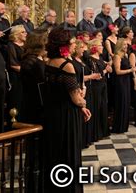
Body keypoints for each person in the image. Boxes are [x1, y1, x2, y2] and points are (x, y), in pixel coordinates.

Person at [43, 27, 89, 193]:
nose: (73, 45)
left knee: (56, 151)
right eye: (71, 43)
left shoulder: (48, 62)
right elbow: (75, 97)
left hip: (52, 113)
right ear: (63, 44)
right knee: (69, 151)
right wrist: (83, 104)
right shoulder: (67, 65)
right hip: (67, 114)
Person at [19, 30, 47, 192]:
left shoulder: (30, 60)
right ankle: (35, 184)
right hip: (37, 108)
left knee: (35, 150)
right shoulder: (35, 63)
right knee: (35, 150)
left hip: (31, 106)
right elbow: (42, 86)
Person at [20, 30, 47, 124]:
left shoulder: (37, 58)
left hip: (40, 100)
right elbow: (39, 81)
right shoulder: (30, 60)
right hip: (34, 101)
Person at [88, 39, 111, 140]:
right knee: (97, 107)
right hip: (96, 87)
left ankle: (103, 131)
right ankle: (96, 132)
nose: (102, 47)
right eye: (100, 46)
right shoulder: (91, 59)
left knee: (103, 107)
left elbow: (107, 70)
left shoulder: (100, 58)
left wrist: (108, 69)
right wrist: (106, 70)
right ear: (94, 47)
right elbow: (97, 75)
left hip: (103, 85)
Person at [112, 39, 136, 133]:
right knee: (121, 102)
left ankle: (124, 125)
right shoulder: (117, 57)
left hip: (126, 81)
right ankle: (118, 126)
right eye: (124, 45)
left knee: (126, 102)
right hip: (120, 82)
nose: (126, 46)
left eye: (127, 44)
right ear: (119, 45)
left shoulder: (126, 55)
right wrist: (130, 70)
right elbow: (118, 71)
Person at [6, 25, 27, 123]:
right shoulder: (11, 46)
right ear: (16, 34)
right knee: (17, 101)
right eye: (23, 32)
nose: (26, 33)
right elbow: (13, 64)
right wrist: (27, 70)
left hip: (25, 77)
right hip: (16, 77)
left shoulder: (26, 45)